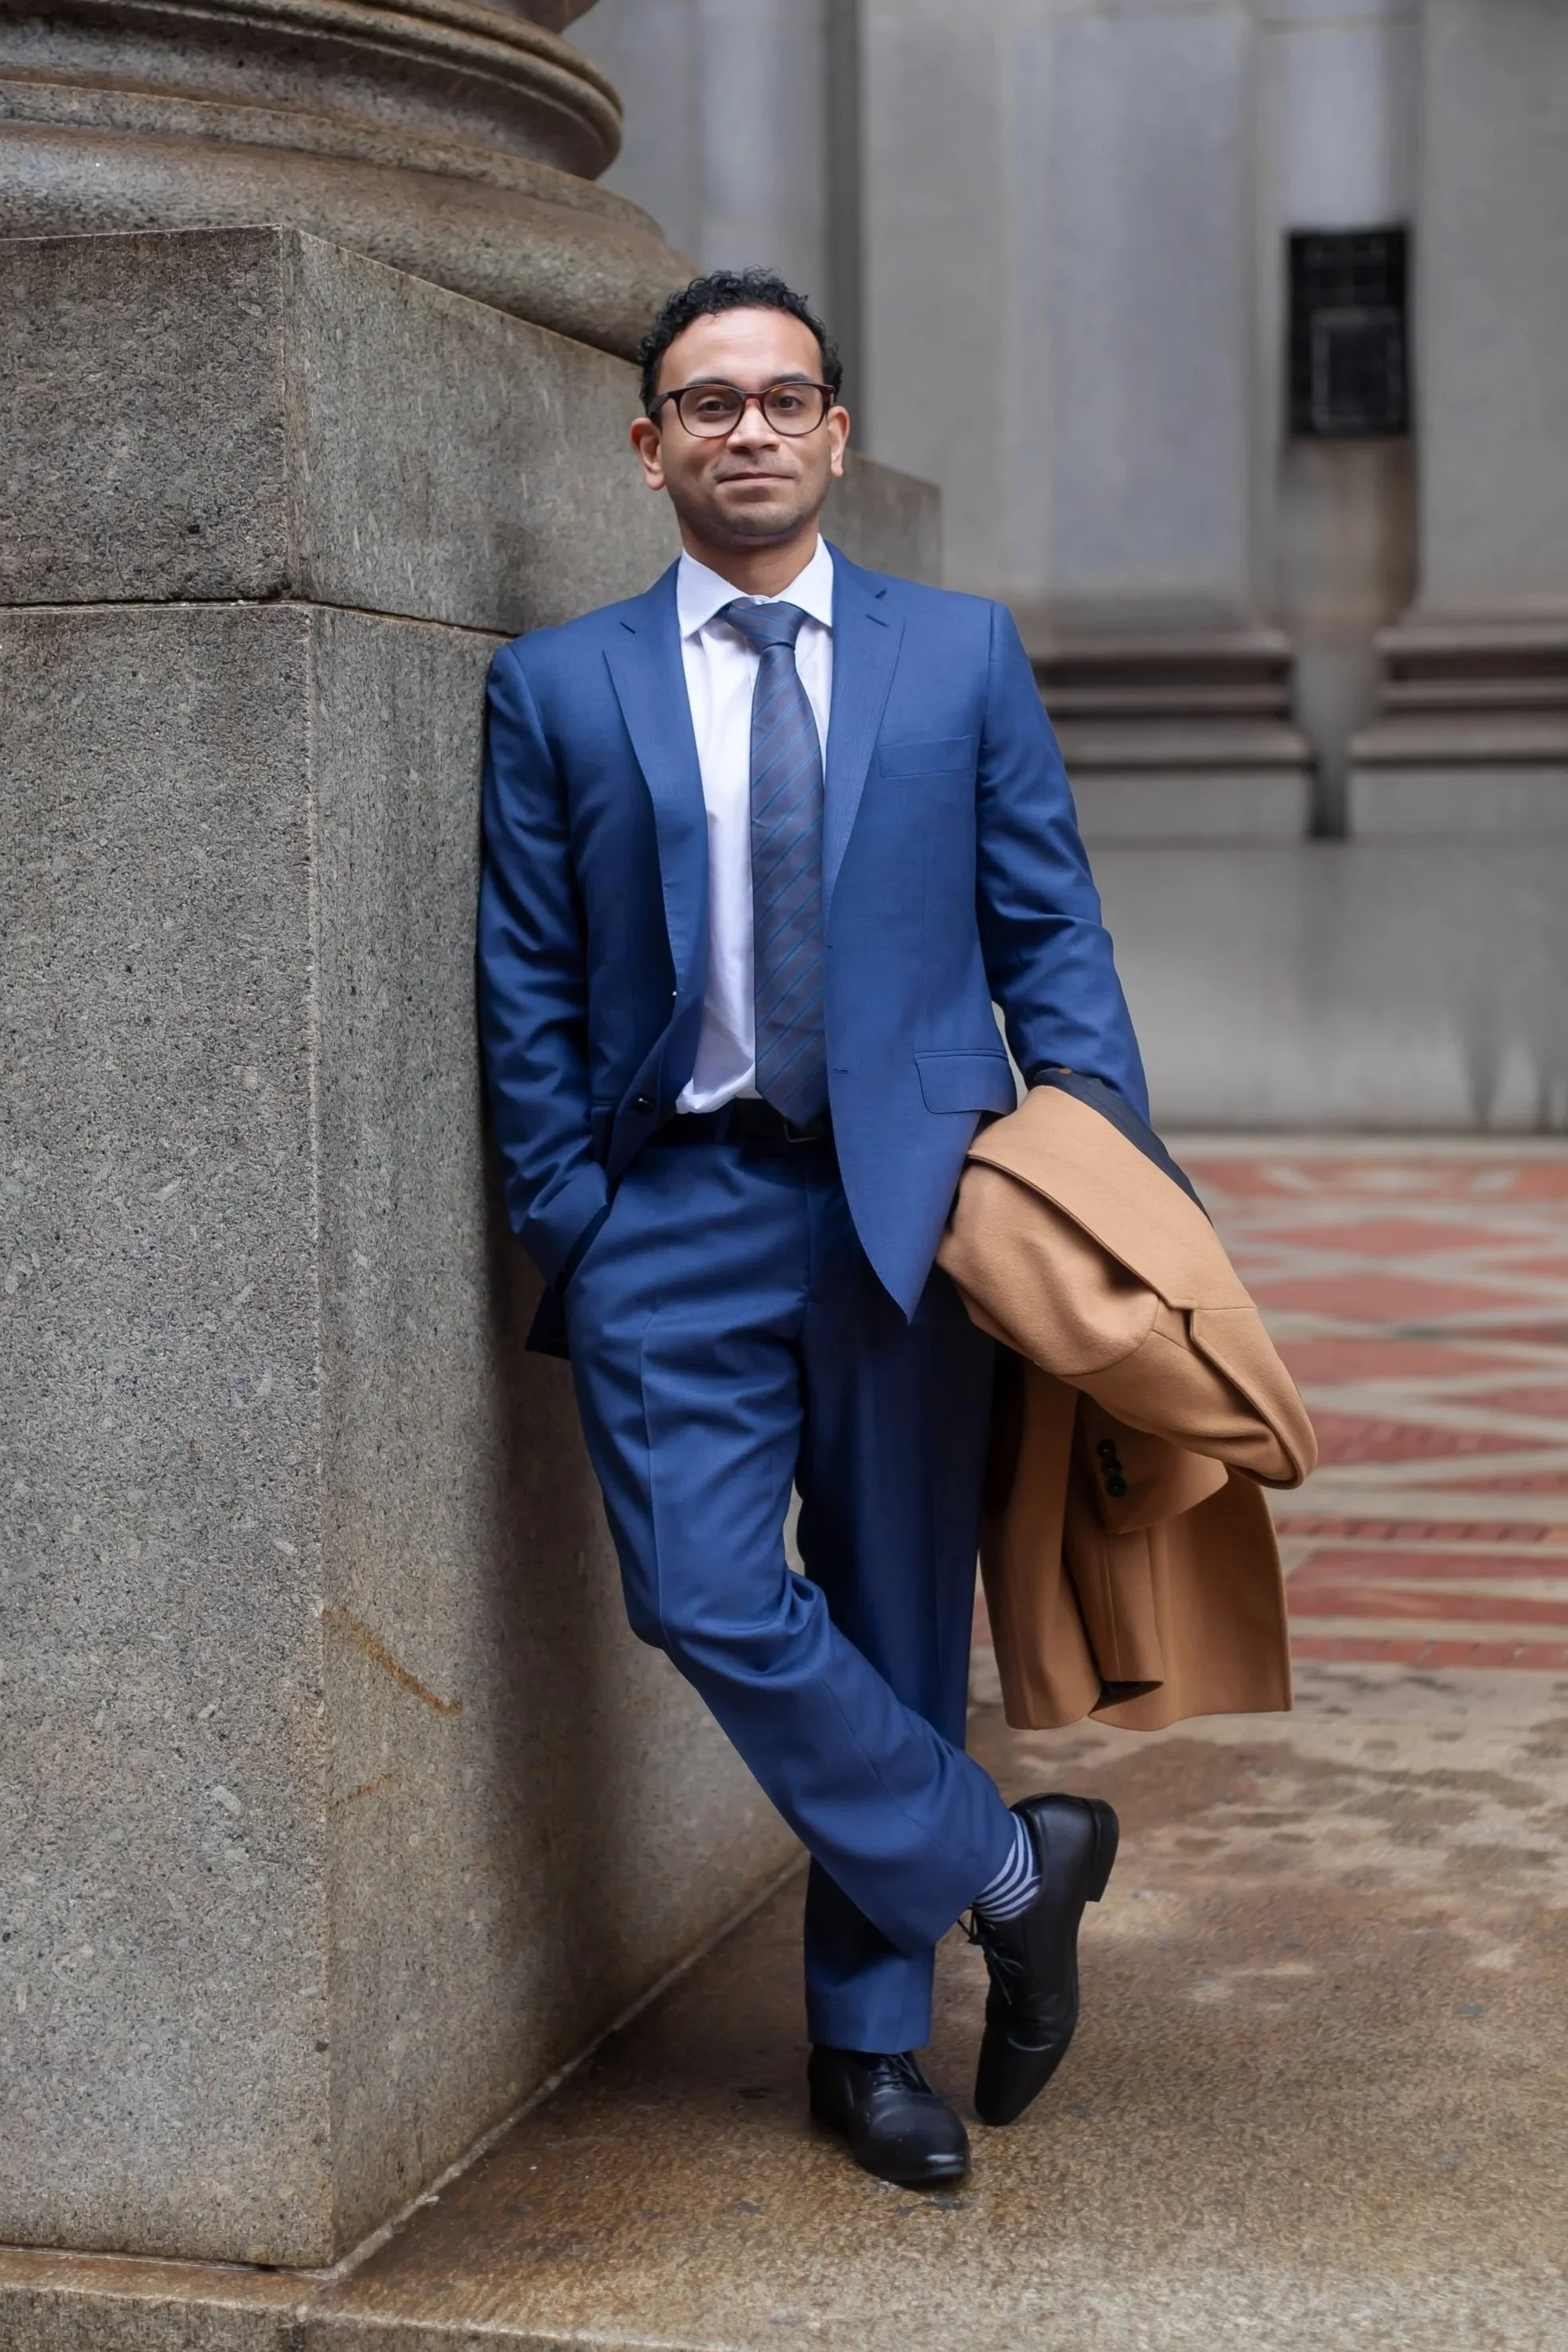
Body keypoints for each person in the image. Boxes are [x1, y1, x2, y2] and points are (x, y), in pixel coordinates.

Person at [478, 268, 1141, 2188]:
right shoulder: (557, 686)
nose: (748, 429)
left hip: (915, 1213)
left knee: (893, 1609)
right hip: (668, 1206)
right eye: (707, 403)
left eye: (784, 398)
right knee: (701, 1588)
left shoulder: (959, 656)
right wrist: (572, 1221)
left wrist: (1099, 1166)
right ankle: (1011, 1868)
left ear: (836, 433)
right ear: (648, 445)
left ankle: (868, 2048)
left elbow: (1049, 929)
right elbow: (525, 979)